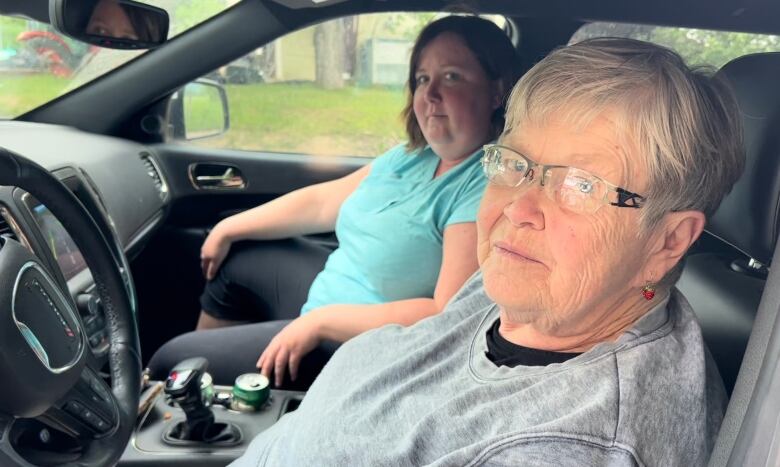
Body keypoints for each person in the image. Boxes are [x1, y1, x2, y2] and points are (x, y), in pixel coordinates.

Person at [228, 37, 744, 466]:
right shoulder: (548, 285)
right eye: (515, 163)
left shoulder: (569, 447)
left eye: (582, 186)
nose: (518, 208)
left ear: (668, 240)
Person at [148, 15, 522, 388]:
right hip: (331, 296)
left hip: (358, 344)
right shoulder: (413, 156)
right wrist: (230, 227)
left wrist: (319, 323)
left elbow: (444, 313)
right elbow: (324, 203)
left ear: (496, 91)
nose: (430, 94)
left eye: (452, 76)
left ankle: (205, 398)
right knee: (236, 258)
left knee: (174, 361)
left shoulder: (482, 185)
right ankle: (225, 401)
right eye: (423, 79)